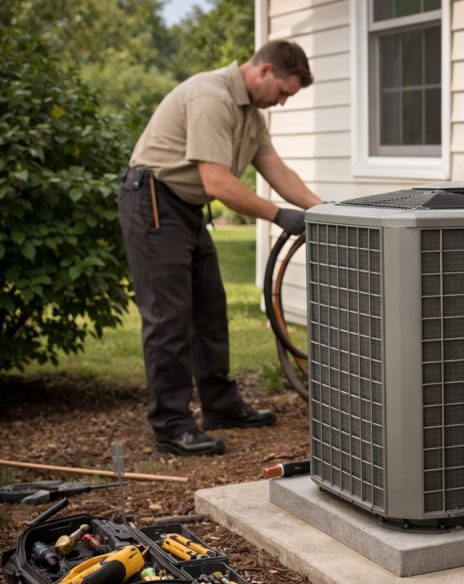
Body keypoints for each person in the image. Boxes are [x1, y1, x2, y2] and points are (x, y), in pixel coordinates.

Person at [118, 40, 322, 456]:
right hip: (154, 201)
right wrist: (278, 215)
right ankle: (172, 425)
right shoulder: (211, 96)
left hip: (185, 208)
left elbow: (276, 170)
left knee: (210, 309)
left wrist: (326, 210)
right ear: (264, 71)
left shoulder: (251, 111)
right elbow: (217, 183)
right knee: (168, 318)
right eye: (283, 92)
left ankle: (220, 405)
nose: (281, 103)